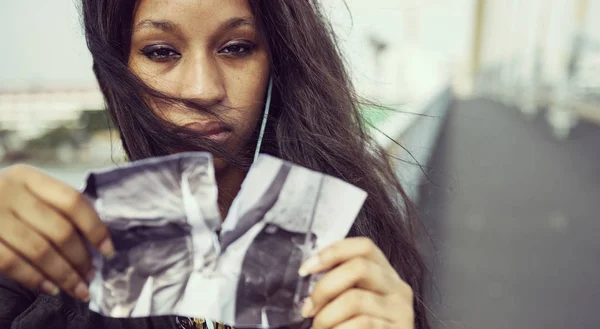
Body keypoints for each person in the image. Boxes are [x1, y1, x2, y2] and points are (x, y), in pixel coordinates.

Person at [0, 1, 428, 329]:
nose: (203, 89)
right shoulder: (46, 254)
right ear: (115, 72)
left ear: (278, 64)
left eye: (237, 48)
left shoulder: (350, 243)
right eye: (162, 52)